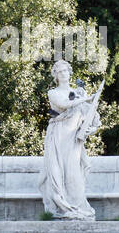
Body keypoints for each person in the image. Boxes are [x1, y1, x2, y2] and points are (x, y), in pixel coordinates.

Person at [38, 59, 98, 220]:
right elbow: (64, 104)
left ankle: (77, 207)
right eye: (60, 71)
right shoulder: (53, 92)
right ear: (55, 76)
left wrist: (92, 128)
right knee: (57, 171)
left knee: (73, 173)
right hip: (58, 136)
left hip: (74, 138)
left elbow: (89, 114)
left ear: (70, 73)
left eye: (66, 70)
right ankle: (61, 206)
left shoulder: (79, 92)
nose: (63, 74)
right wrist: (85, 99)